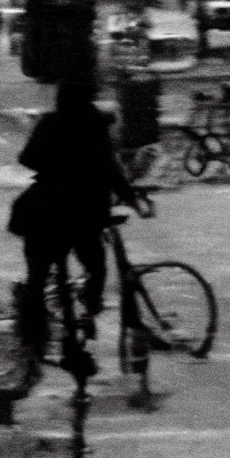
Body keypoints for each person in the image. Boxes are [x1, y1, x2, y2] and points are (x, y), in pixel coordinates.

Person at [9, 79, 146, 362]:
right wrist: (132, 199)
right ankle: (89, 310)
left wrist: (55, 165)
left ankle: (33, 339)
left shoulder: (50, 123)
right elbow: (110, 168)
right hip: (86, 212)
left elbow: (27, 158)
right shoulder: (94, 124)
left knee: (37, 275)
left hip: (46, 209)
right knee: (95, 264)